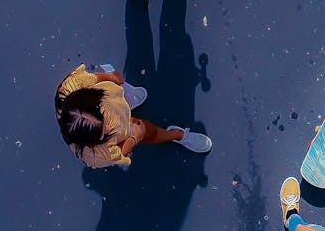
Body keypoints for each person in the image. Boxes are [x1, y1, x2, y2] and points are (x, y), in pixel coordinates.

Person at [55, 63, 212, 169]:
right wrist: (134, 137)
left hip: (116, 99)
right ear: (94, 141)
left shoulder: (70, 87)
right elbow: (120, 153)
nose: (110, 124)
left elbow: (95, 78)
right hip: (127, 130)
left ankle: (128, 100)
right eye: (105, 129)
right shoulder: (96, 156)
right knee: (148, 131)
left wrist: (111, 77)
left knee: (122, 95)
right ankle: (176, 135)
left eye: (102, 110)